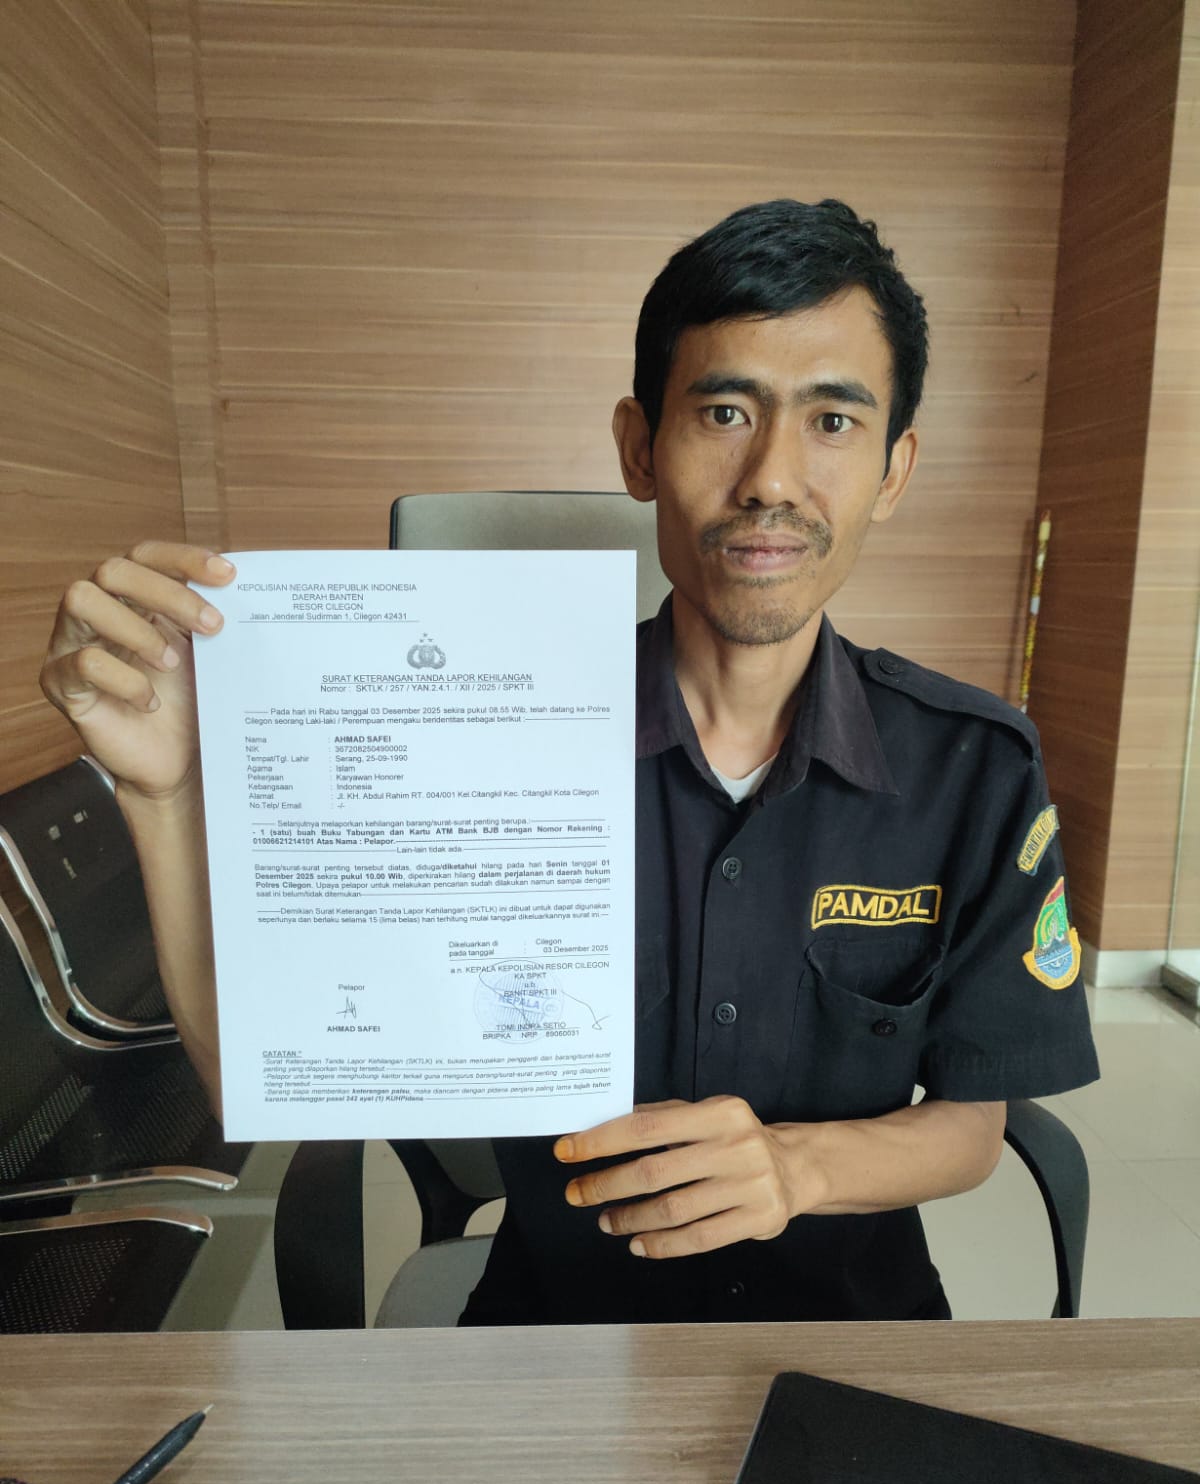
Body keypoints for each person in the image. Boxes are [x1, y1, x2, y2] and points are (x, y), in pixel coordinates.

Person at [40, 198, 1098, 1326]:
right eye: (726, 411)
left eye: (833, 421)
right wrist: (163, 794)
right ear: (640, 447)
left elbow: (973, 1124)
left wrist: (797, 1168)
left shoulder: (972, 769)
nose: (772, 478)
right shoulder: (475, 741)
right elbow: (257, 1075)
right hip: (556, 1337)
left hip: (849, 1334)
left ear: (893, 469)